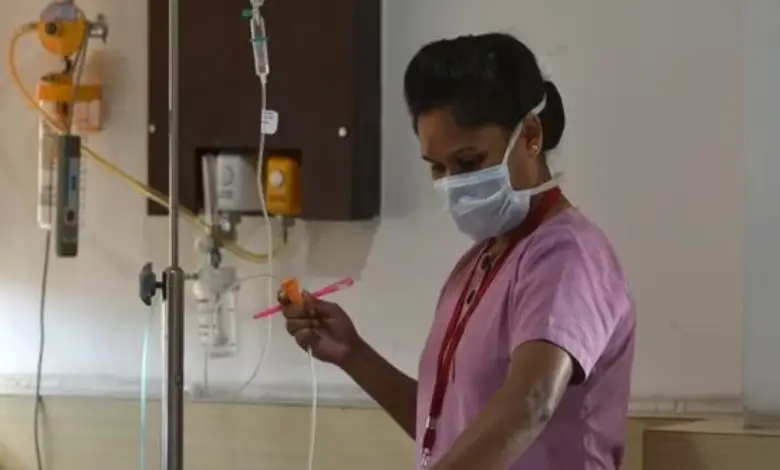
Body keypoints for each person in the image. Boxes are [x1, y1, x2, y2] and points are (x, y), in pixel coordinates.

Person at [280, 32, 636, 470]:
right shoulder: (478, 265)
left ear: (529, 135)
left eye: (467, 163)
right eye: (437, 167)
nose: (452, 183)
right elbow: (451, 429)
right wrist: (353, 353)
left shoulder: (568, 255)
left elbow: (531, 402)